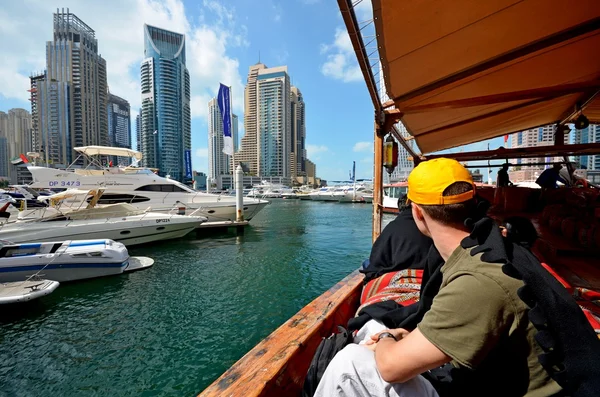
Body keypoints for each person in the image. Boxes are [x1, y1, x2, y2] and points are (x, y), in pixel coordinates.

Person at [314, 158, 564, 397]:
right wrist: (406, 336)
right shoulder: (491, 250)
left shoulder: (477, 280)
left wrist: (387, 337)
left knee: (350, 363)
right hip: (497, 378)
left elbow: (390, 368)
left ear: (418, 213)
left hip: (494, 389)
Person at [361, 194, 433, 282]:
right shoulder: (430, 226)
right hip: (428, 272)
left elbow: (377, 259)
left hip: (396, 273)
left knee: (366, 263)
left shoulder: (393, 227)